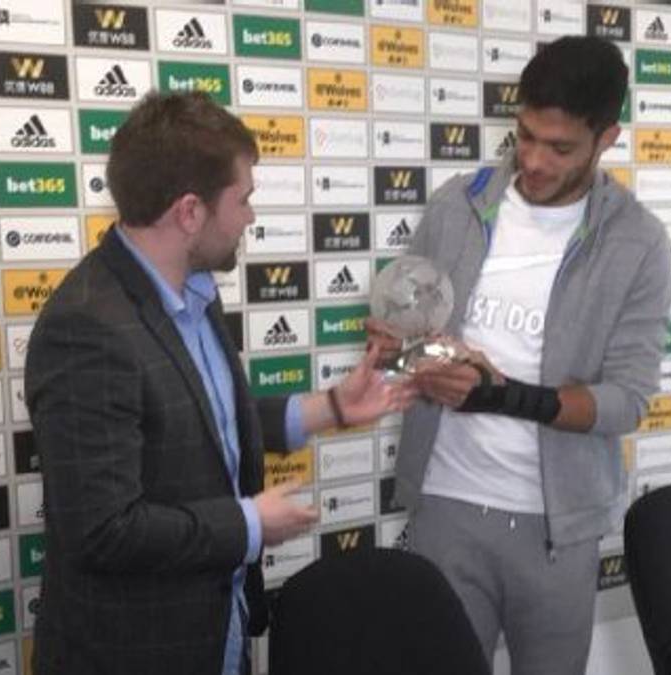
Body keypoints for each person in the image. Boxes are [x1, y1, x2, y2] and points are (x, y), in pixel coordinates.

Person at [25, 91, 412, 675]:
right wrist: (250, 524)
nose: (249, 218)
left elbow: (198, 422)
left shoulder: (194, 290)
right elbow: (103, 529)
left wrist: (331, 407)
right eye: (243, 199)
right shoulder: (86, 327)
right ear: (189, 212)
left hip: (217, 637)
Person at [367, 36, 671, 675]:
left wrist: (498, 394)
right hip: (443, 507)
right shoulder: (456, 204)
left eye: (559, 148)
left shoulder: (639, 242)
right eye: (526, 135)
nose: (533, 160)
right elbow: (394, 349)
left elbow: (626, 402)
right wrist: (410, 354)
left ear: (607, 138)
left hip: (557, 528)